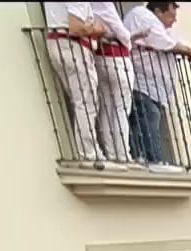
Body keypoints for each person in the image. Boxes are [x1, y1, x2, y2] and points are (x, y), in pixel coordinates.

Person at [123, 0, 191, 169]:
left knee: (149, 124)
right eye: (171, 15)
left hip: (155, 90)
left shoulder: (166, 31)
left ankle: (150, 160)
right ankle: (151, 162)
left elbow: (190, 49)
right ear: (157, 11)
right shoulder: (142, 16)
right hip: (142, 86)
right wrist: (186, 50)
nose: (174, 20)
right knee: (146, 124)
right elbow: (176, 47)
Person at [43, 1, 133, 165]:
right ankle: (90, 154)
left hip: (58, 43)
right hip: (73, 46)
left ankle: (92, 151)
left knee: (82, 102)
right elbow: (76, 27)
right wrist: (98, 29)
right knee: (86, 103)